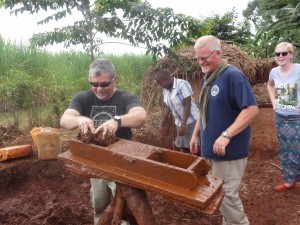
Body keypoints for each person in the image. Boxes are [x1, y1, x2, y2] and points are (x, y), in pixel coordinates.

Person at [60, 58, 147, 225]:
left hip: (122, 164)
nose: (99, 89)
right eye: (94, 84)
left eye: (105, 84)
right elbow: (65, 120)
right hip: (96, 163)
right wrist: (80, 120)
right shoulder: (83, 98)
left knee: (124, 208)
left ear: (115, 79)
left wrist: (117, 120)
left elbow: (141, 116)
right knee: (100, 205)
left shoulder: (125, 98)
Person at [190, 35, 259, 225]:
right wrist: (196, 135)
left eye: (204, 57)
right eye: (198, 58)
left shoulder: (232, 76)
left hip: (228, 152)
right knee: (219, 194)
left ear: (218, 53)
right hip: (211, 150)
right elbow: (203, 109)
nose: (200, 62)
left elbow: (252, 109)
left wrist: (226, 135)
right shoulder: (208, 78)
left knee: (226, 194)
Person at [267, 42, 300, 192]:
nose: (280, 56)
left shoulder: (299, 69)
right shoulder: (274, 72)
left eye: (284, 53)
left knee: (298, 149)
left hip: (297, 118)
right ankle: (289, 181)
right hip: (280, 117)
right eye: (277, 54)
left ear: (291, 54)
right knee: (285, 150)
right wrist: (273, 101)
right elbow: (270, 85)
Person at [156, 70, 199, 154]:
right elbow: (167, 107)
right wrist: (162, 125)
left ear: (166, 79)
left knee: (195, 147)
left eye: (161, 84)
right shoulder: (166, 90)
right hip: (179, 123)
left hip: (192, 121)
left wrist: (184, 125)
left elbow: (188, 104)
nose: (162, 86)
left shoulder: (182, 84)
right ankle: (185, 165)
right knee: (182, 147)